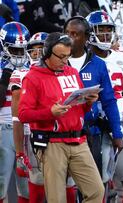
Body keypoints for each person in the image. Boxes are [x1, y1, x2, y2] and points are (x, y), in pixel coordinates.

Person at [18, 32, 104, 203]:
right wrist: (50, 113)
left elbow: (80, 110)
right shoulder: (33, 77)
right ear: (47, 53)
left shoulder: (72, 72)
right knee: (57, 199)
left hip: (79, 140)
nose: (65, 61)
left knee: (96, 190)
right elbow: (23, 114)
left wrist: (89, 102)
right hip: (52, 144)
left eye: (68, 56)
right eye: (61, 57)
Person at [11, 31, 78, 203]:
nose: (38, 54)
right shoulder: (23, 73)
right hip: (35, 135)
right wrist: (19, 152)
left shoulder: (65, 72)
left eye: (42, 49)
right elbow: (18, 117)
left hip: (66, 136)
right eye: (34, 50)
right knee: (38, 184)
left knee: (68, 184)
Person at [63, 16, 123, 199]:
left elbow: (109, 101)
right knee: (60, 186)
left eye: (75, 34)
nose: (70, 38)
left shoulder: (98, 65)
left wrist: (117, 133)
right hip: (61, 133)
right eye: (67, 33)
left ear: (87, 37)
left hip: (91, 133)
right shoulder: (56, 61)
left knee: (92, 187)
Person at [86, 10, 123, 203]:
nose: (106, 35)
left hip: (119, 127)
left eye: (108, 30)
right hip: (95, 129)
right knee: (97, 185)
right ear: (90, 33)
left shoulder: (121, 57)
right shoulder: (82, 61)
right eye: (101, 31)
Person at [0, 21, 30, 203]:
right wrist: (5, 75)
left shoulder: (33, 64)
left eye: (22, 49)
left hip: (29, 128)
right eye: (14, 49)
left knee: (27, 185)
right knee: (2, 182)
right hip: (4, 126)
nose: (19, 54)